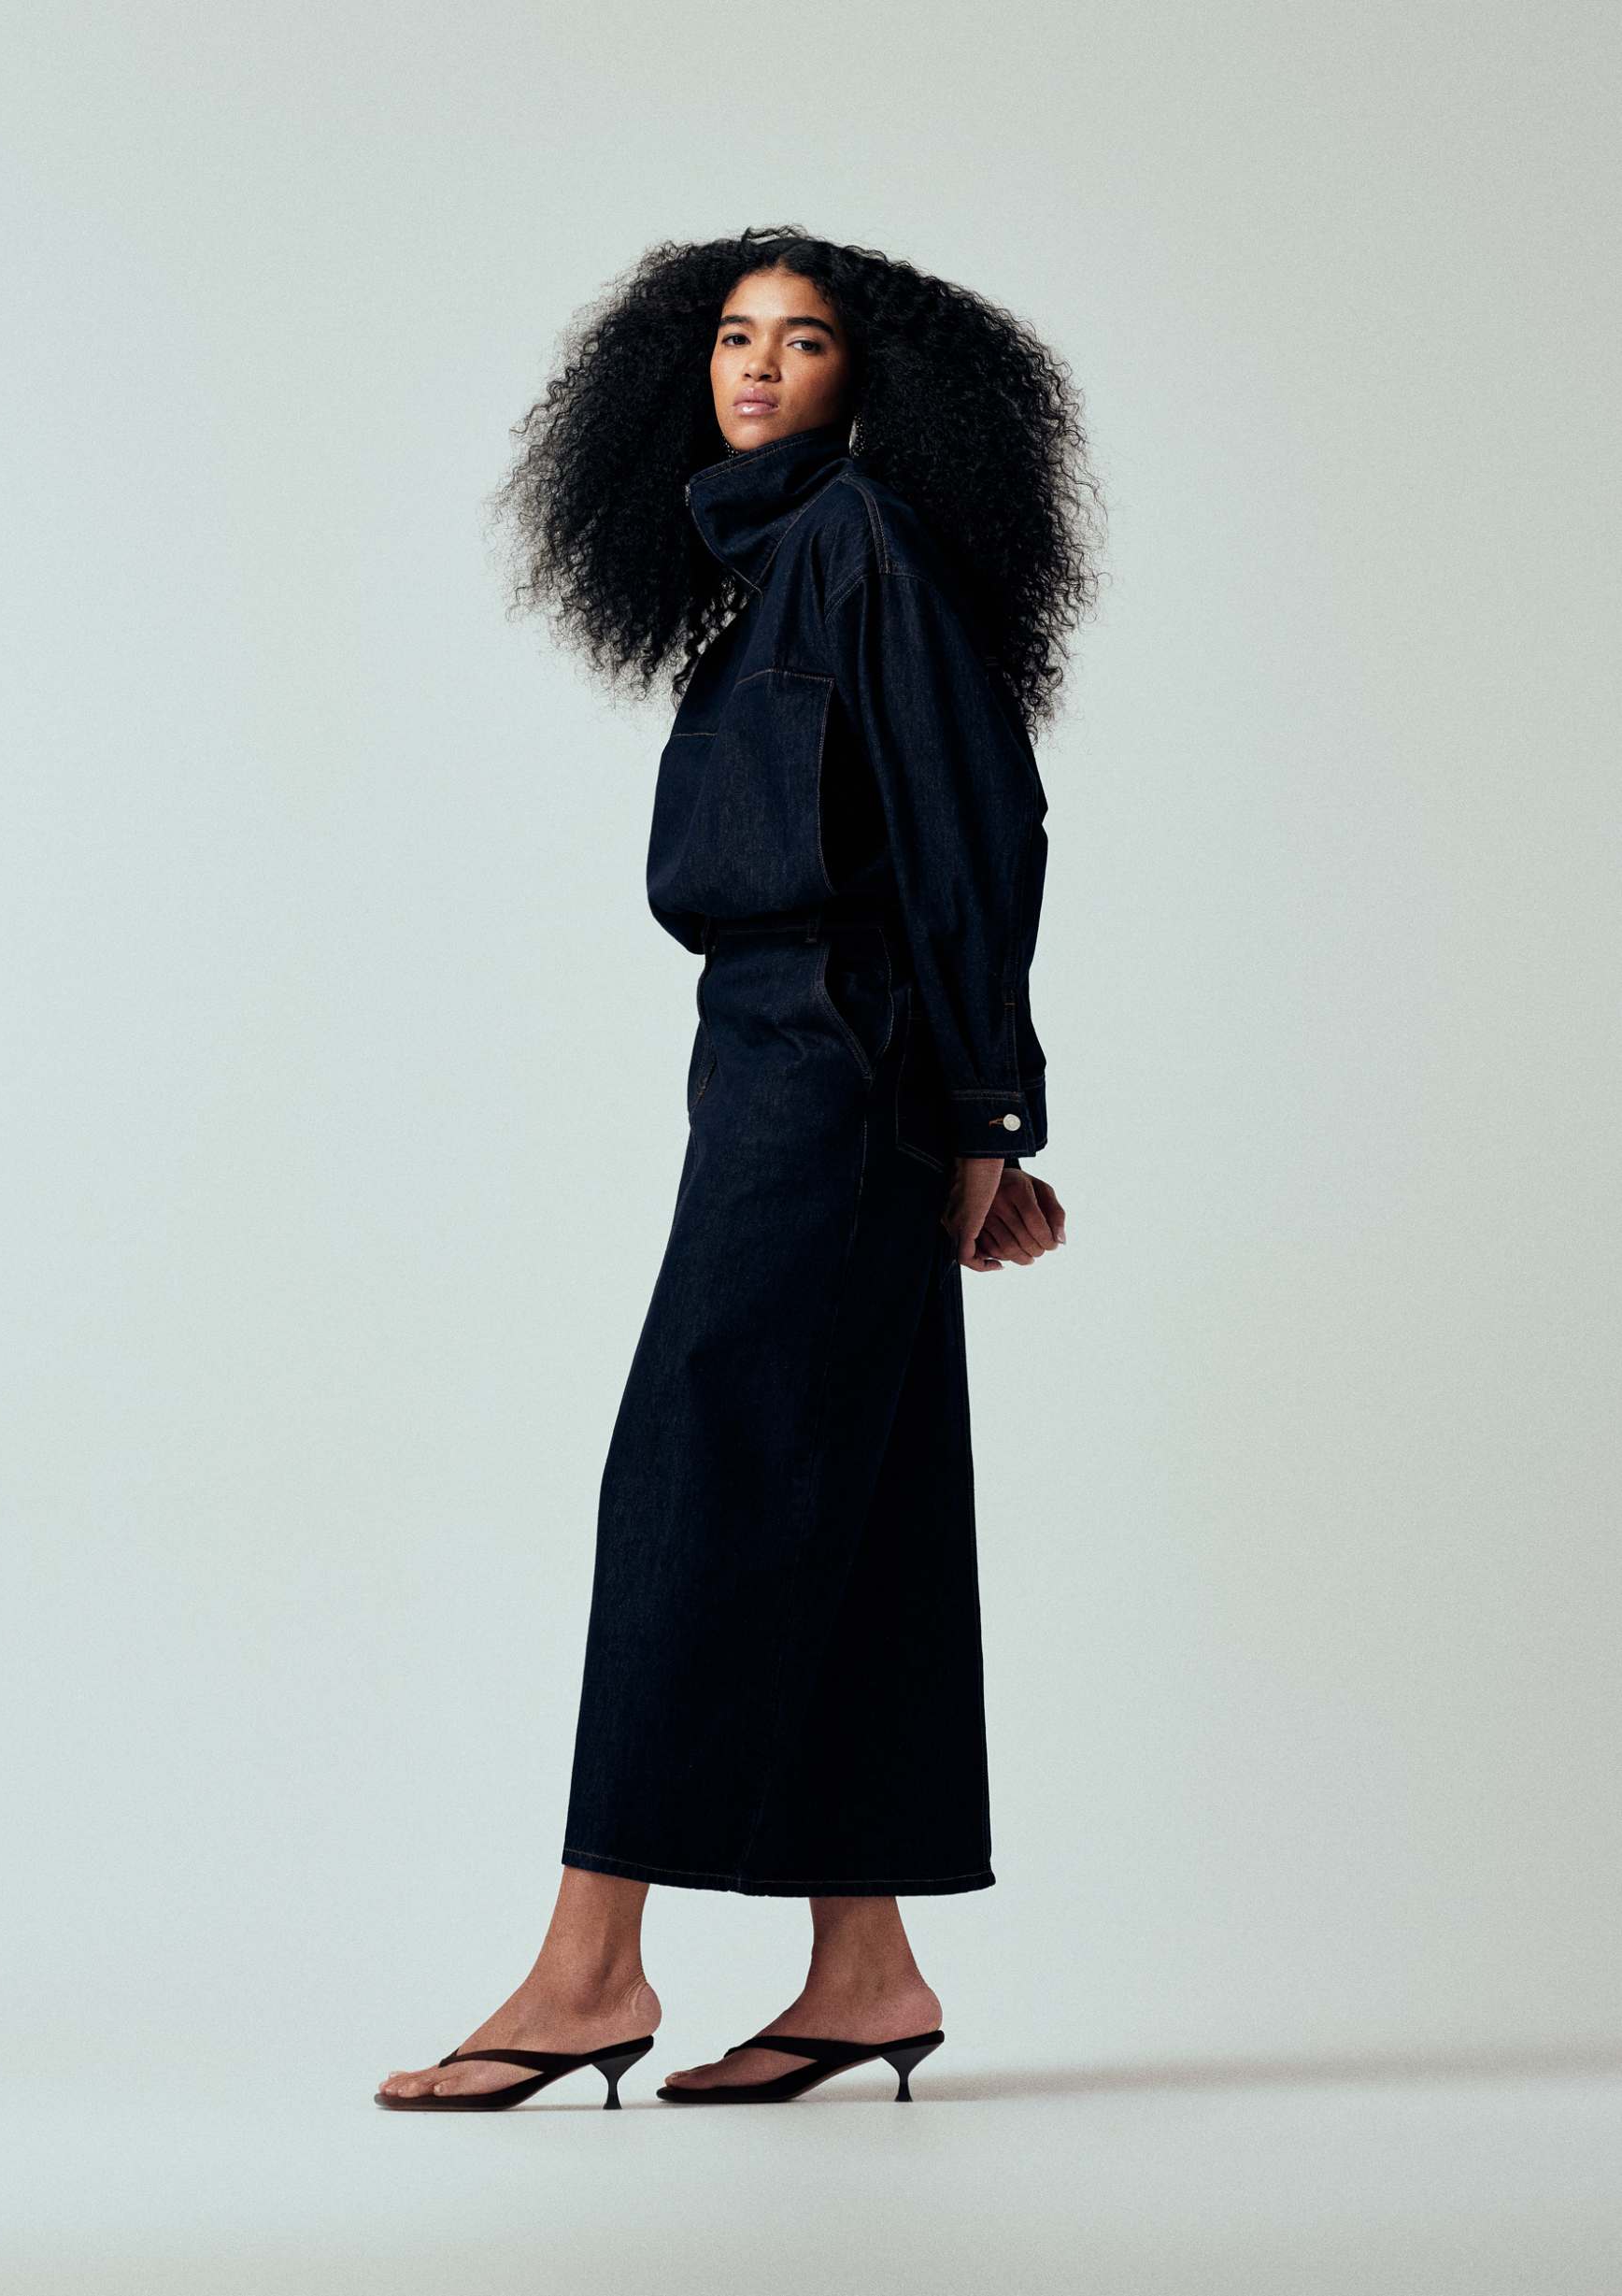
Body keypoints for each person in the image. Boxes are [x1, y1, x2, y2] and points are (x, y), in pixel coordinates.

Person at [377, 227, 1100, 2112]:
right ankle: (864, 1966)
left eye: (805, 338)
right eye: (731, 334)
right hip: (783, 1062)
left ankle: (589, 1964)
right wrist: (963, 1113)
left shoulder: (860, 544)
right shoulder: (771, 569)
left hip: (830, 1073)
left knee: (696, 1475)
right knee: (851, 1501)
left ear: (875, 380)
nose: (759, 363)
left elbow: (979, 826)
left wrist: (982, 1115)